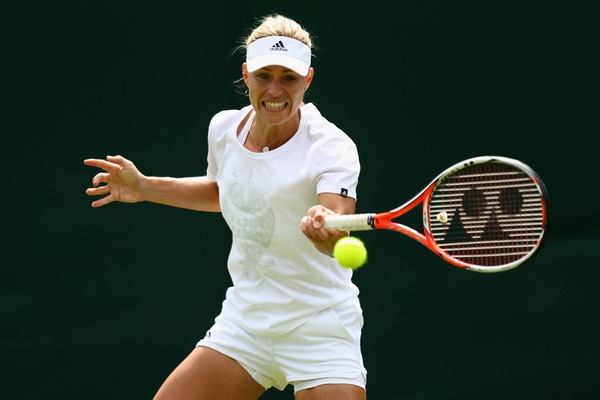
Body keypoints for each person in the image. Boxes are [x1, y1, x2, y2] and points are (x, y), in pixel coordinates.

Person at [85, 14, 366, 400]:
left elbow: (336, 232)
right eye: (264, 75)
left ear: (308, 80)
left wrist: (326, 228)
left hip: (319, 325)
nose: (275, 89)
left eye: (289, 78)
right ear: (246, 74)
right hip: (246, 321)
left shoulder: (331, 147)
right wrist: (146, 187)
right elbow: (227, 192)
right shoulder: (223, 129)